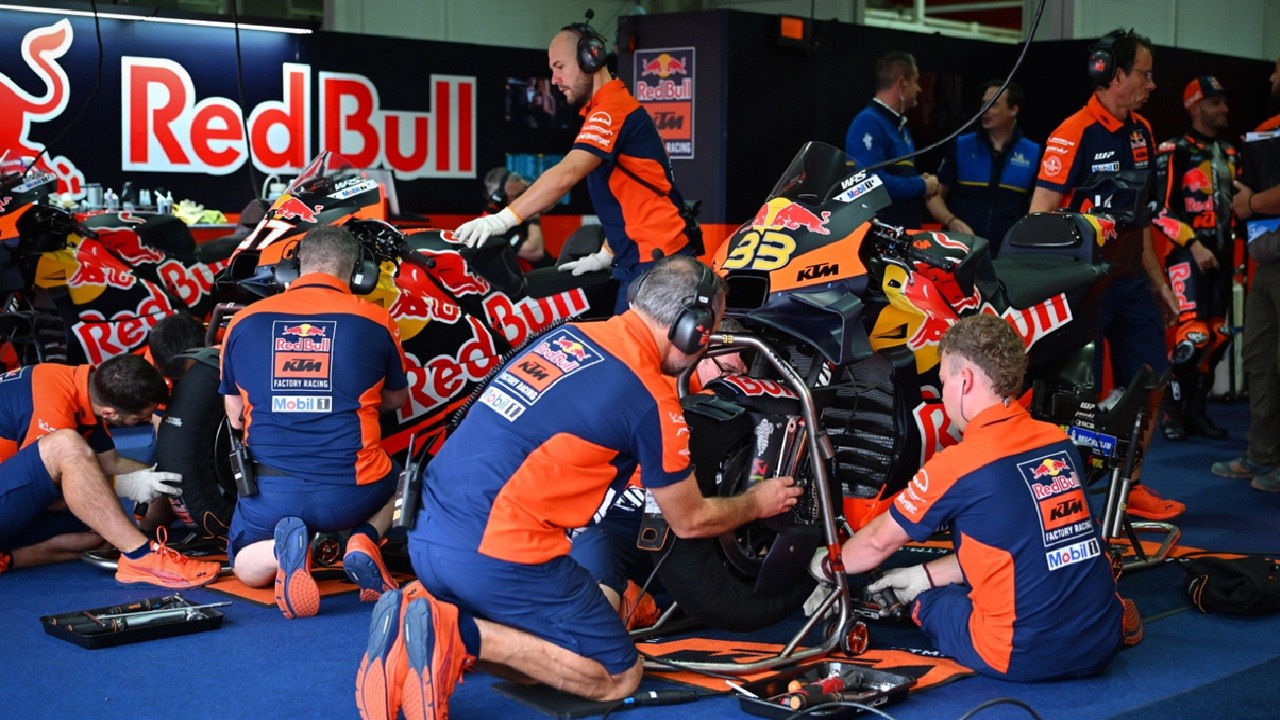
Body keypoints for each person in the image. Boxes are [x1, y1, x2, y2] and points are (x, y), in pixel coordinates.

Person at [355, 256, 803, 720]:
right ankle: (455, 633)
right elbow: (689, 521)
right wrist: (758, 501)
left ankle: (419, 620)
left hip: (426, 538)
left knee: (544, 659)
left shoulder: (566, 336)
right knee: (616, 675)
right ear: (693, 329)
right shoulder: (650, 396)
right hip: (497, 551)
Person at [813, 314, 1130, 682]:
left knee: (927, 602)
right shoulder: (1058, 442)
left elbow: (875, 545)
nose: (943, 395)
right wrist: (925, 573)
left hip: (1021, 656)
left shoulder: (959, 464)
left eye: (943, 381)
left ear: (964, 380)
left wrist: (821, 566)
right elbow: (1023, 547)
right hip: (1102, 641)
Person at [1028, 28, 1184, 521]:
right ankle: (1065, 497)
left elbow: (1142, 220)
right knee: (1077, 398)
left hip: (1133, 282)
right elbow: (1038, 218)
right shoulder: (1072, 132)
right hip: (1084, 289)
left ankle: (1130, 488)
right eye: (1145, 74)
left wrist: (1160, 284)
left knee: (1150, 384)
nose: (1152, 85)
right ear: (1113, 74)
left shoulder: (1143, 132)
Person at [219, 224, 409, 619]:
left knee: (242, 564)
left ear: (292, 268)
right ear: (359, 272)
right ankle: (365, 538)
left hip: (270, 496)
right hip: (355, 490)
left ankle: (283, 551)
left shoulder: (243, 321)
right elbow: (395, 399)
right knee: (405, 479)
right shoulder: (377, 319)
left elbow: (235, 418)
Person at [453, 24, 696, 313]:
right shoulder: (606, 109)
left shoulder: (611, 109)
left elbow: (566, 173)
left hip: (658, 266)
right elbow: (630, 201)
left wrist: (502, 220)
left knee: (634, 345)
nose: (554, 79)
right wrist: (606, 253)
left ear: (591, 58)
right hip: (641, 261)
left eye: (560, 67)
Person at [0, 353, 220, 588]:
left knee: (108, 531)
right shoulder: (53, 408)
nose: (146, 421)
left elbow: (110, 463)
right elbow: (50, 497)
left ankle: (7, 559)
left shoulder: (84, 388)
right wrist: (126, 486)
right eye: (140, 418)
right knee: (65, 445)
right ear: (109, 413)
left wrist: (165, 475)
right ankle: (140, 556)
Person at [1151, 76, 1239, 441]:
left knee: (1219, 335)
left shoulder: (1230, 152)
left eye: (1224, 102)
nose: (1224, 109)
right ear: (1195, 106)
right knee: (1194, 337)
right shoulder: (1176, 149)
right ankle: (1171, 412)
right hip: (1187, 254)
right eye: (1215, 103)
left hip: (1223, 256)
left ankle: (1196, 412)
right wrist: (1192, 243)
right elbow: (1158, 208)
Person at [1213, 53, 1280, 492]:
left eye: (1278, 69)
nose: (1272, 77)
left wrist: (1250, 203)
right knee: (1258, 356)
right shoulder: (1269, 128)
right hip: (1267, 258)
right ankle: (1263, 454)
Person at [925, 79, 1041, 254]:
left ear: (1013, 110)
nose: (985, 110)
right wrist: (951, 221)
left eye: (993, 105)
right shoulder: (962, 145)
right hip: (961, 250)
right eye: (983, 104)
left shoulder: (1033, 152)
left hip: (1009, 255)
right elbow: (933, 195)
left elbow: (1039, 209)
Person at [845, 51, 940, 228]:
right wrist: (921, 185)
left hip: (902, 231)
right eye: (916, 81)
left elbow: (896, 174)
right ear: (902, 83)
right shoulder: (868, 122)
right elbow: (869, 182)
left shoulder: (901, 128)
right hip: (880, 234)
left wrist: (917, 179)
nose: (919, 89)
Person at [481, 167, 551, 269]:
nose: (524, 197)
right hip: (530, 276)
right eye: (519, 195)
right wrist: (533, 215)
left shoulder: (512, 212)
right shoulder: (493, 227)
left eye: (524, 191)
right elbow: (535, 252)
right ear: (500, 199)